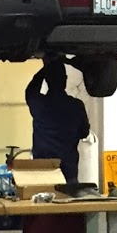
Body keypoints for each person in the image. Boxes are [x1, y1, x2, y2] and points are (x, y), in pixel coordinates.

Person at [25, 59, 90, 188]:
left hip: (43, 169)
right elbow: (84, 133)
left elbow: (30, 91)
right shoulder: (76, 106)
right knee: (69, 198)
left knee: (44, 199)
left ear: (47, 80)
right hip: (68, 170)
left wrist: (44, 69)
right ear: (65, 80)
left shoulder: (39, 104)